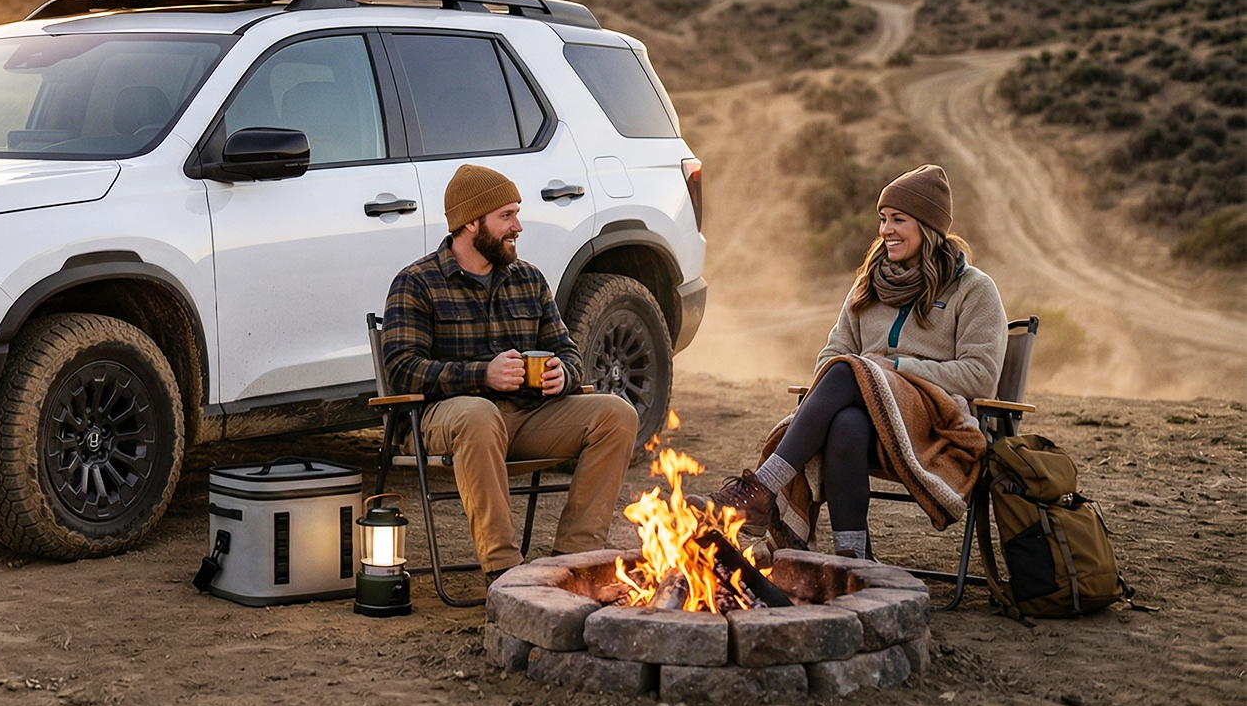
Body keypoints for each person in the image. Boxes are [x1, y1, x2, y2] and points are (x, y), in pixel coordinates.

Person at [711, 164, 1003, 559]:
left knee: (854, 368)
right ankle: (854, 557)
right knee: (846, 415)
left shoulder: (974, 289)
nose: (885, 230)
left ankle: (763, 488)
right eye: (883, 219)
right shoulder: (869, 283)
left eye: (898, 219)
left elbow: (980, 376)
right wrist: (869, 375)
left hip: (933, 428)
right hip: (871, 431)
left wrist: (894, 369)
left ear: (929, 227)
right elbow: (831, 355)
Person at [382, 164, 640, 580]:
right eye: (506, 216)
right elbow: (402, 370)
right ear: (470, 222)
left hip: (525, 417)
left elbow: (568, 353)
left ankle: (573, 561)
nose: (517, 226)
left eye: (516, 214)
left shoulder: (529, 280)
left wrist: (565, 375)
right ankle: (504, 573)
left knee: (617, 414)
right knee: (478, 414)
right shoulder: (417, 283)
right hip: (445, 418)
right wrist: (482, 375)